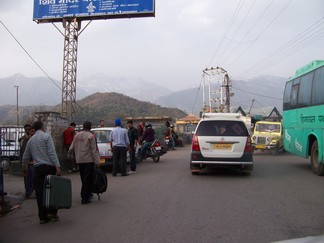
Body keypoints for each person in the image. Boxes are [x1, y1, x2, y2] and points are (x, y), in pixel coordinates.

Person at [22, 120, 61, 224]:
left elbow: (25, 156)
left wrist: (24, 167)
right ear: (43, 127)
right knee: (52, 191)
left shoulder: (31, 140)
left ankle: (42, 217)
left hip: (37, 169)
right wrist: (57, 166)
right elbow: (52, 153)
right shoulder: (47, 137)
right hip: (49, 168)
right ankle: (52, 213)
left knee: (39, 193)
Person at [68, 121, 100, 205]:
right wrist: (97, 161)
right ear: (90, 127)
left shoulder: (77, 135)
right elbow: (94, 150)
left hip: (79, 159)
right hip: (88, 160)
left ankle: (88, 193)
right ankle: (84, 197)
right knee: (87, 178)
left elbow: (72, 146)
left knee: (83, 177)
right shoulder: (90, 136)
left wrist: (69, 154)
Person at [19, 124, 35, 199]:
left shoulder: (32, 138)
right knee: (27, 177)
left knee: (31, 177)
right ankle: (28, 192)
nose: (28, 131)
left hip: (32, 161)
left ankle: (30, 191)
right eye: (26, 129)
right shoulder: (24, 139)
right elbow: (22, 151)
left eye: (29, 129)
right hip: (27, 162)